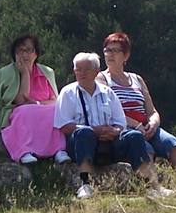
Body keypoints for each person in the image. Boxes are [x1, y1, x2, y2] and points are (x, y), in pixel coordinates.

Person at [54, 52, 160, 199]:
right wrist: (93, 131)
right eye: (78, 70)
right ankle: (85, 184)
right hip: (82, 143)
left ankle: (150, 186)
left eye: (86, 70)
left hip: (109, 143)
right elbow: (63, 125)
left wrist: (115, 131)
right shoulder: (68, 93)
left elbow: (121, 122)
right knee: (84, 133)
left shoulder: (108, 92)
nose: (82, 73)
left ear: (96, 71)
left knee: (134, 136)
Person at [99, 32, 176, 186]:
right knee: (146, 148)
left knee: (172, 143)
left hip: (146, 125)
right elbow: (109, 111)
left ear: (126, 55)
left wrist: (153, 123)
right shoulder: (102, 79)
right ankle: (153, 187)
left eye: (115, 50)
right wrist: (136, 126)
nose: (110, 54)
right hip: (124, 127)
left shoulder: (137, 79)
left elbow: (151, 110)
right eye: (107, 50)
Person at [0, 33, 66, 164]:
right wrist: (25, 74)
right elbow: (20, 101)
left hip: (43, 109)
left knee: (55, 111)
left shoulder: (47, 72)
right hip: (16, 111)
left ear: (36, 53)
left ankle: (59, 150)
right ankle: (24, 151)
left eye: (28, 50)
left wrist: (38, 103)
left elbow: (56, 100)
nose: (24, 54)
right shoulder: (6, 72)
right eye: (20, 50)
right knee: (25, 111)